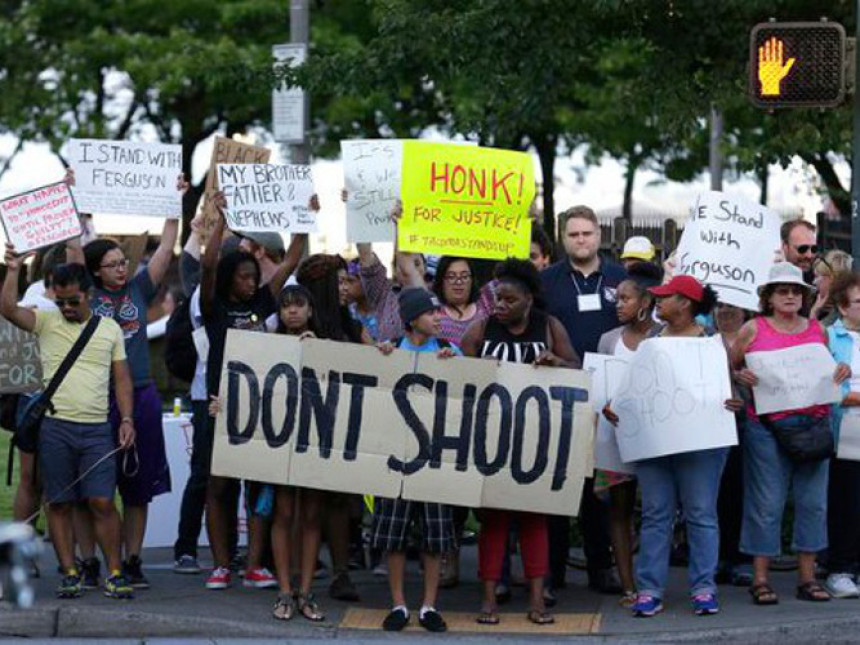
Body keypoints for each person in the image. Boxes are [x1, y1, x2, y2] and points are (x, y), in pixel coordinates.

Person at [1, 253, 135, 599]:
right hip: (55, 426)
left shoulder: (109, 329)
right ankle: (70, 571)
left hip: (96, 430)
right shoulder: (46, 320)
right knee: (58, 502)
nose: (67, 308)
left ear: (88, 295)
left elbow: (122, 381)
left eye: (73, 301)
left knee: (102, 502)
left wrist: (127, 419)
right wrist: (13, 270)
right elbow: (8, 310)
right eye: (60, 302)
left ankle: (116, 571)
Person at [604, 275, 738, 617]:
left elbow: (728, 392)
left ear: (686, 304)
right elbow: (634, 387)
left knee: (700, 513)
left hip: (701, 442)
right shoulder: (651, 339)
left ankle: (703, 587)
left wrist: (733, 402)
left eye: (666, 297)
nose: (658, 302)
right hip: (655, 440)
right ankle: (650, 589)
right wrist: (617, 406)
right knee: (656, 514)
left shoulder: (712, 342)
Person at [81, 175, 187, 588]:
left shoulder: (139, 289)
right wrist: (78, 200)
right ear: (95, 272)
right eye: (113, 264)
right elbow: (76, 246)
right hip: (94, 397)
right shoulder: (86, 297)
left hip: (140, 394)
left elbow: (164, 248)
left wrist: (173, 204)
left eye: (124, 261)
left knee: (138, 485)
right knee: (94, 487)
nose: (123, 268)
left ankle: (134, 559)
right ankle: (90, 562)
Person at [461, 258, 580, 626]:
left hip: (535, 441)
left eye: (509, 300)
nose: (500, 306)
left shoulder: (549, 327)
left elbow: (577, 370)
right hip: (492, 441)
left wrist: (557, 361)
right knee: (493, 523)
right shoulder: (482, 328)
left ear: (529, 299)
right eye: (498, 299)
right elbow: (456, 372)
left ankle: (537, 601)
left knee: (533, 521)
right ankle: (488, 601)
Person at [200, 192, 307, 590]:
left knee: (258, 486)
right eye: (243, 277)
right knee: (219, 484)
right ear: (229, 279)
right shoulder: (214, 307)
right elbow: (209, 264)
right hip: (221, 405)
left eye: (252, 276)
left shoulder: (264, 299)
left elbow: (291, 259)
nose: (251, 282)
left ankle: (255, 565)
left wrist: (303, 216)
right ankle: (221, 564)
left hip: (258, 406)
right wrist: (221, 222)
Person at [731, 262, 850, 605]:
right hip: (767, 426)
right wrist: (741, 376)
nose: (790, 296)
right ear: (768, 297)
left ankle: (808, 578)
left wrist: (839, 370)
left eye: (796, 290)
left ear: (804, 296)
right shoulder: (752, 329)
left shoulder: (817, 330)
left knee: (813, 503)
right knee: (766, 503)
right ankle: (761, 578)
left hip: (813, 425)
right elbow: (732, 364)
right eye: (782, 290)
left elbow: (827, 369)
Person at [540, 205, 626, 595]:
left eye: (586, 234)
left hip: (609, 394)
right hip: (559, 391)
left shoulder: (619, 279)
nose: (581, 240)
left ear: (599, 235)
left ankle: (600, 568)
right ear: (563, 238)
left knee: (600, 490)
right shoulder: (548, 281)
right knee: (558, 484)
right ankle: (553, 571)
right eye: (573, 235)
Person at [371, 287, 459, 633]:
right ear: (412, 320)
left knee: (434, 538)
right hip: (396, 455)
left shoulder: (447, 352)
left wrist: (455, 365)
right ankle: (398, 604)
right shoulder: (391, 351)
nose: (439, 318)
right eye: (431, 313)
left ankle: (428, 606)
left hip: (434, 457)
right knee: (394, 534)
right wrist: (381, 355)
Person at [297, 253, 366, 602]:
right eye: (339, 282)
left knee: (340, 503)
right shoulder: (298, 326)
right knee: (308, 504)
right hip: (307, 428)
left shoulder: (349, 325)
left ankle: (341, 573)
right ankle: (301, 574)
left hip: (343, 428)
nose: (346, 289)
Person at [595, 262, 663, 605]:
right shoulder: (608, 341)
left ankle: (651, 582)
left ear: (646, 302)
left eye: (625, 298)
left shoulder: (663, 339)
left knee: (654, 511)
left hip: (655, 441)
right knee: (618, 512)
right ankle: (628, 586)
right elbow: (600, 388)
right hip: (614, 442)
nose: (618, 304)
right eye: (616, 298)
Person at [713, 302, 754, 588]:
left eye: (732, 306)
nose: (726, 311)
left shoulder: (755, 339)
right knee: (714, 496)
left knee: (743, 494)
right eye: (720, 306)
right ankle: (717, 558)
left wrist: (748, 385)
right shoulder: (704, 340)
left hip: (749, 427)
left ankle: (741, 559)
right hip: (712, 428)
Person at [825, 272, 860, 598]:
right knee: (847, 501)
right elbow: (829, 387)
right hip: (846, 428)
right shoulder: (829, 337)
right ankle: (841, 568)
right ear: (842, 306)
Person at [809, 249, 853, 322]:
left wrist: (814, 312)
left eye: (817, 276)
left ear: (832, 278)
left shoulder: (844, 310)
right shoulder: (811, 301)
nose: (814, 282)